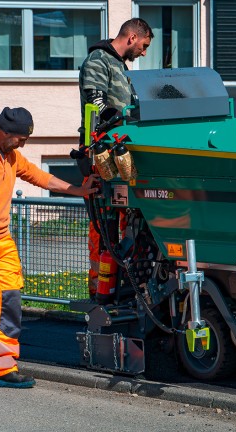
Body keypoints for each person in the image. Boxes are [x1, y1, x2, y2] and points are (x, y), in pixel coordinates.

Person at [0, 107, 99, 388]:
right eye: (21, 139)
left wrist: (77, 190)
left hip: (2, 239)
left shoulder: (10, 155)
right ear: (4, 132)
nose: (22, 145)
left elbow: (40, 177)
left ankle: (2, 369)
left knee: (11, 302)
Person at [77, 18, 154, 299]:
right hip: (103, 156)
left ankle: (123, 291)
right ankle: (100, 296)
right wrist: (121, 117)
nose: (144, 53)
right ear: (132, 38)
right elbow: (96, 104)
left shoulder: (119, 67)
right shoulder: (99, 60)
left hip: (120, 155)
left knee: (128, 230)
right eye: (144, 46)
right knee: (104, 235)